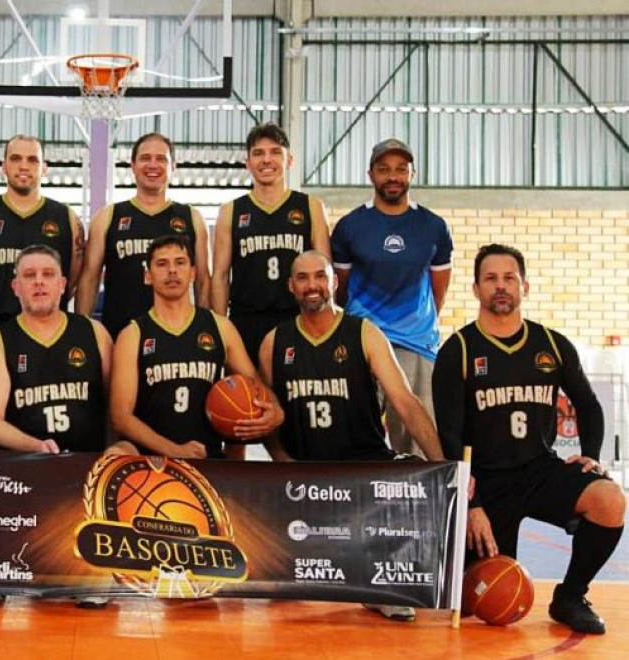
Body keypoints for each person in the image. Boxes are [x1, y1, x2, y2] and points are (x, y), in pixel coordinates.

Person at [432, 244, 625, 635]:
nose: (501, 287)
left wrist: (591, 455)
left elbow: (588, 406)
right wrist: (473, 505)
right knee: (482, 602)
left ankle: (570, 596)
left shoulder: (551, 345)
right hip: (485, 482)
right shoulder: (459, 350)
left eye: (509, 278)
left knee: (610, 500)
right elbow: (449, 435)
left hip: (538, 469)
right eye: (491, 279)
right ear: (475, 289)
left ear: (525, 287)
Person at [258, 250, 444, 623]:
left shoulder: (364, 334)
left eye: (320, 276)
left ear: (334, 282)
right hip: (307, 477)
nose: (313, 285)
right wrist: (282, 461)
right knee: (280, 585)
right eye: (304, 278)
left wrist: (442, 465)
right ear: (291, 286)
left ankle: (384, 586)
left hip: (364, 471)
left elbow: (405, 403)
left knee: (403, 482)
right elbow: (268, 418)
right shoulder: (274, 343)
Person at [0, 135, 85, 448]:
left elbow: (74, 277)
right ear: (4, 166)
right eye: (16, 159)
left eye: (32, 160)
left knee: (48, 428)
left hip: (50, 336)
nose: (24, 166)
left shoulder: (66, 218)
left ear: (45, 168)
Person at [331, 138, 453, 457]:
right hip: (363, 345)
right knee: (354, 438)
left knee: (416, 445)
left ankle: (422, 505)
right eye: (384, 169)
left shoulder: (434, 227)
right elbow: (340, 290)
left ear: (413, 173)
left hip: (416, 346)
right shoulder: (349, 227)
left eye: (401, 169)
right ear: (370, 174)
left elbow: (439, 288)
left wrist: (415, 321)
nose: (393, 176)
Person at [110, 235, 281, 460]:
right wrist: (175, 451)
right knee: (115, 453)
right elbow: (120, 416)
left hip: (207, 458)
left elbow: (254, 384)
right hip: (152, 462)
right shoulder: (133, 335)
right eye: (162, 264)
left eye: (180, 262)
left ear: (192, 273)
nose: (172, 271)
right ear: (147, 276)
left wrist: (275, 410)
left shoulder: (220, 327)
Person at [211, 122, 331, 364]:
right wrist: (220, 330)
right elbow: (220, 277)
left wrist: (327, 326)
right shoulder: (231, 211)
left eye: (275, 152)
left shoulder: (311, 207)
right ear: (247, 162)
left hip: (297, 319)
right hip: (246, 321)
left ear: (289, 160)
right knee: (246, 400)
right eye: (258, 153)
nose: (267, 160)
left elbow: (324, 274)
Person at [0, 244, 112, 454]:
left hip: (88, 462)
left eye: (48, 274)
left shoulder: (95, 332)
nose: (39, 281)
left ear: (62, 284)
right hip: (25, 467)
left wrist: (116, 446)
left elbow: (117, 407)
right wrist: (36, 446)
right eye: (29, 275)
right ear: (16, 287)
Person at [76, 132, 211, 339]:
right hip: (119, 334)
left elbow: (203, 281)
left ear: (173, 167)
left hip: (177, 337)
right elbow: (89, 279)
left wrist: (206, 329)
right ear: (133, 166)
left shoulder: (192, 218)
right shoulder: (108, 217)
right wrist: (81, 332)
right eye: (145, 158)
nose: (153, 165)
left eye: (161, 159)